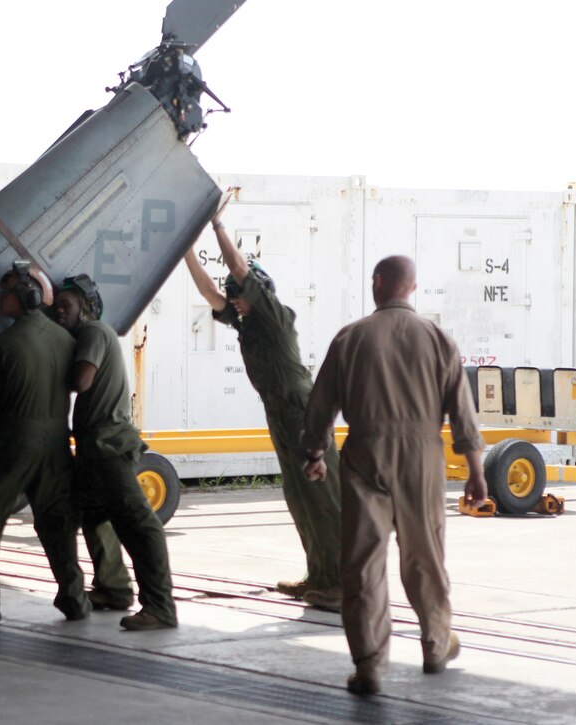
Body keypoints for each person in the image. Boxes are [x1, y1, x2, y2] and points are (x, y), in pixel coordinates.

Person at [301, 254, 488, 696]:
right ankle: (436, 644)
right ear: (413, 287)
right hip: (422, 455)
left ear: (379, 283)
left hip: (365, 451)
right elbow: (463, 414)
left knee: (363, 563)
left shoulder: (350, 338)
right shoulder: (439, 339)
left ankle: (369, 664)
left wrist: (314, 452)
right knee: (424, 556)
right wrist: (476, 470)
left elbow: (321, 404)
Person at [184, 203, 342, 609]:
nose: (234, 300)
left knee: (323, 498)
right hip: (279, 411)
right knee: (298, 496)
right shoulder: (247, 322)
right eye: (235, 297)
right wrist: (185, 250)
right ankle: (319, 575)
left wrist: (216, 224)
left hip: (300, 409)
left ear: (259, 293)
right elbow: (209, 292)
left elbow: (238, 268)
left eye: (241, 295)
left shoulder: (274, 314)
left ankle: (343, 584)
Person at [0, 261, 90, 625]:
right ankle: (74, 598)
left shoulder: (4, 344)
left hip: (16, 438)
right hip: (57, 439)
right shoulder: (65, 339)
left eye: (6, 292)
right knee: (56, 522)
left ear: (28, 296)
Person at [53, 275, 178, 631]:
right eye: (56, 305)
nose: (60, 311)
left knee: (140, 524)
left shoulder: (94, 332)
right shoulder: (87, 334)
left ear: (87, 308)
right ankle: (112, 588)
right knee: (94, 516)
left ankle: (160, 606)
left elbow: (82, 381)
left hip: (109, 444)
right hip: (94, 445)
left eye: (68, 305)